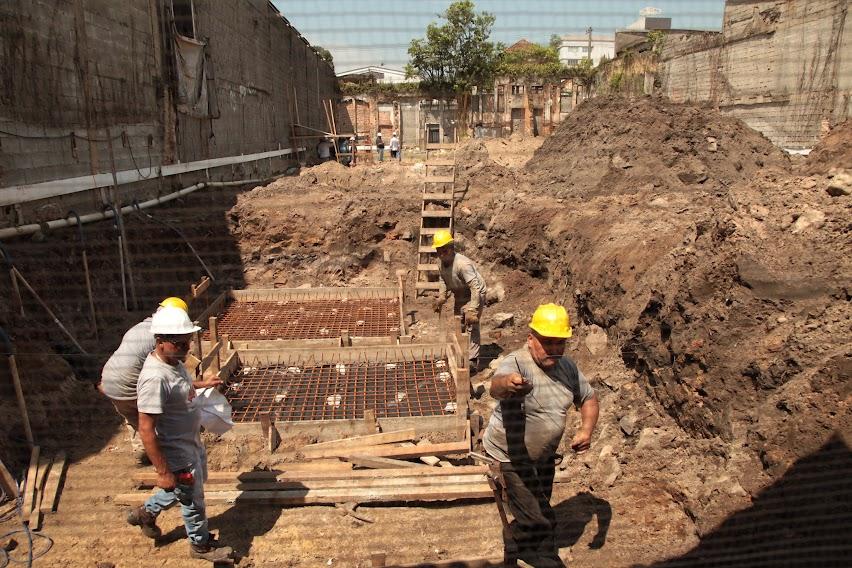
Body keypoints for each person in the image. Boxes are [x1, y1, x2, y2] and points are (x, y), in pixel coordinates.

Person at [483, 303, 600, 567]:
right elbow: (495, 388)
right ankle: (513, 538)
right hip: (510, 457)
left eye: (560, 343)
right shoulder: (516, 363)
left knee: (542, 505)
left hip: (544, 457)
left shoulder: (567, 368)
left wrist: (586, 429)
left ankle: (542, 552)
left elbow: (590, 399)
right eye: (548, 343)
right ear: (531, 339)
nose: (555, 350)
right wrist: (509, 384)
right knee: (535, 517)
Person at [126, 306, 234, 562]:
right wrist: (163, 472)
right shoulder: (154, 378)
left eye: (188, 341)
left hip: (191, 441)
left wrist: (202, 384)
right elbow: (146, 429)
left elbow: (181, 386)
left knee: (187, 487)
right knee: (193, 499)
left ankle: (146, 513)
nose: (187, 347)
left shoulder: (173, 362)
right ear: (160, 342)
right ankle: (201, 546)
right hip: (176, 451)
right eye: (180, 343)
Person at [99, 297, 221, 464]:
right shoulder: (162, 342)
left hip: (109, 384)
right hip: (129, 387)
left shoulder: (141, 327)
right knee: (161, 417)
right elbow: (171, 382)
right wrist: (202, 385)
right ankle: (166, 459)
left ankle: (144, 453)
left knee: (136, 418)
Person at [431, 229, 487, 371]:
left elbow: (475, 287)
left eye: (444, 250)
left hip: (475, 294)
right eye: (439, 250)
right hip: (460, 295)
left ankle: (473, 360)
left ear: (451, 248)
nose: (442, 253)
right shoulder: (441, 263)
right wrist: (442, 296)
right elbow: (443, 279)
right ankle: (461, 352)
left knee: (471, 324)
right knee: (459, 323)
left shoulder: (462, 264)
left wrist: (473, 309)